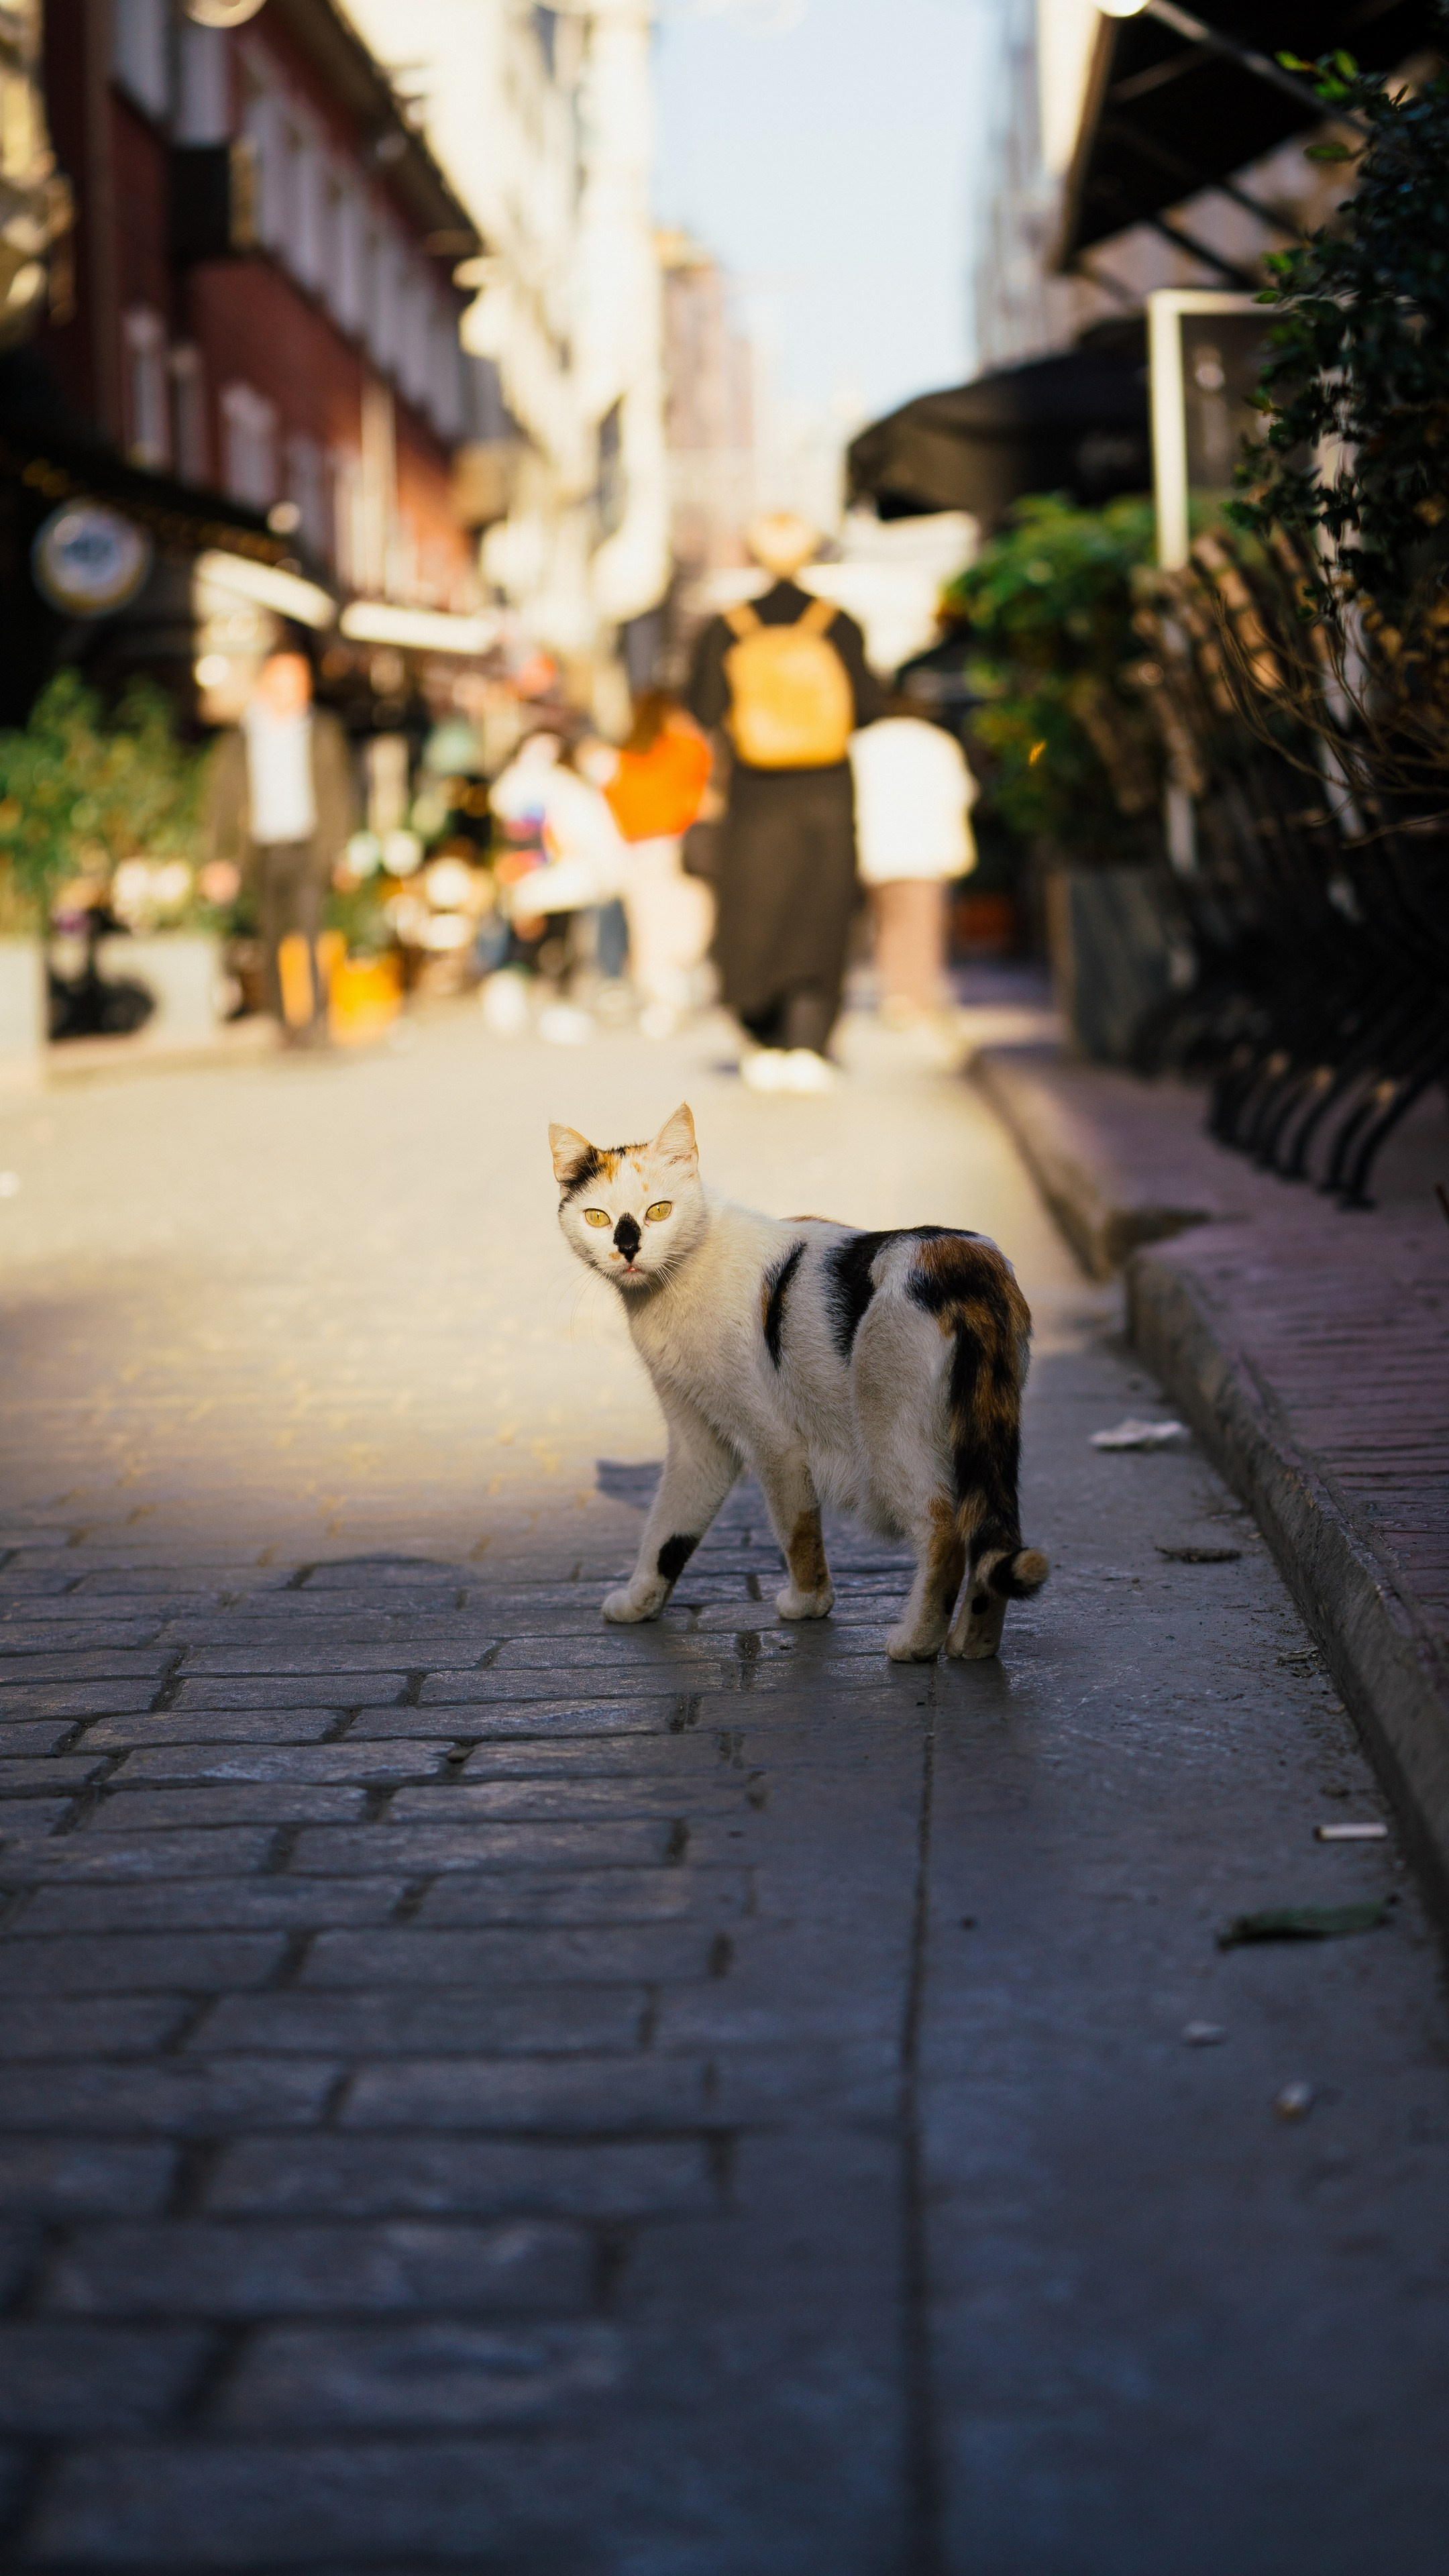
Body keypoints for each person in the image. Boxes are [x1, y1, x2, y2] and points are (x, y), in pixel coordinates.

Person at [686, 509, 884, 1093]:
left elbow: (700, 708)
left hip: (754, 797)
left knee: (756, 913)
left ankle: (763, 1038)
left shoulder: (726, 626)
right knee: (820, 913)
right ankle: (810, 1040)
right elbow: (868, 708)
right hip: (825, 793)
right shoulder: (839, 624)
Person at [206, 645, 356, 1044]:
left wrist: (342, 852)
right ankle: (281, 1020)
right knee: (270, 933)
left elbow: (340, 795)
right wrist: (220, 859)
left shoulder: (323, 731)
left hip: (309, 844)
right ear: (265, 684)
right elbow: (223, 802)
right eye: (284, 680)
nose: (294, 690)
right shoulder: (241, 739)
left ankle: (316, 1018)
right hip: (261, 846)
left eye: (300, 681)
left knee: (310, 929)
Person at [849, 696, 978, 1024]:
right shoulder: (938, 744)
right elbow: (960, 793)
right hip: (924, 850)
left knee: (888, 924)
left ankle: (896, 995)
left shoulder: (861, 744)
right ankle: (916, 996)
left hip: (876, 849)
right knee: (921, 925)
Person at [602, 690, 714, 1037]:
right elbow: (705, 778)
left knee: (649, 925)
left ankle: (661, 998)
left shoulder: (625, 756)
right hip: (675, 843)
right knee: (686, 917)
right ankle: (677, 987)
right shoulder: (682, 747)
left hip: (635, 848)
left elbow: (613, 799)